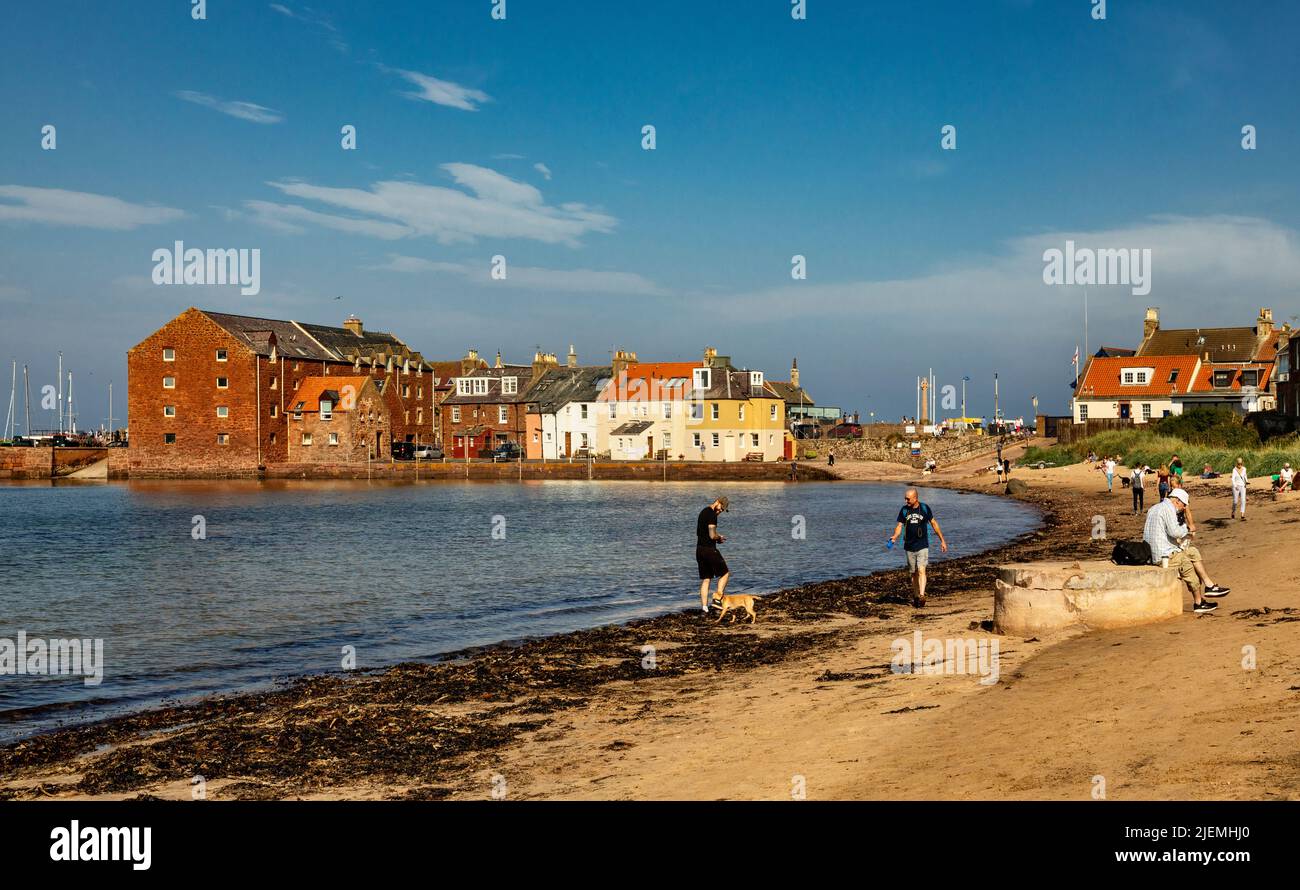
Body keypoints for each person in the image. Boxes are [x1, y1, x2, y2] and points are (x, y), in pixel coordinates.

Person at [1142, 488, 1230, 614]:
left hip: (1155, 551)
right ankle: (1198, 603)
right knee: (1187, 565)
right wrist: (1187, 528)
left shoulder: (1155, 507)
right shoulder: (1168, 509)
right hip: (1163, 555)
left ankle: (1209, 585)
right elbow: (1174, 532)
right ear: (1177, 501)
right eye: (1184, 505)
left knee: (1192, 551)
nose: (1184, 508)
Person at [889, 488, 948, 608]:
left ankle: (922, 595)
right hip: (909, 546)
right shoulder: (904, 510)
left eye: (908, 499)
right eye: (905, 498)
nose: (906, 501)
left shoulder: (925, 508)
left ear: (915, 498)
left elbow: (934, 524)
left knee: (921, 570)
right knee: (913, 573)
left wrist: (942, 540)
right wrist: (894, 537)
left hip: (922, 545)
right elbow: (899, 526)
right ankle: (916, 596)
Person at [695, 496, 731, 613]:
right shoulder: (712, 515)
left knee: (706, 579)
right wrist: (718, 538)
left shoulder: (703, 512)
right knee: (725, 573)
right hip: (709, 550)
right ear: (717, 502)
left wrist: (716, 537)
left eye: (722, 510)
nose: (720, 511)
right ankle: (717, 600)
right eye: (721, 508)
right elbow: (711, 535)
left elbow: (704, 532)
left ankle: (704, 608)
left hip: (699, 550)